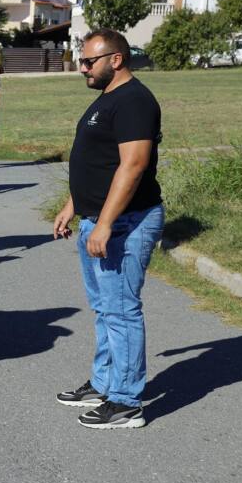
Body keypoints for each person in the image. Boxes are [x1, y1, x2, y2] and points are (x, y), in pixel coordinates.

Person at [52, 29, 165, 430]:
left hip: (124, 223)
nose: (82, 67)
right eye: (81, 60)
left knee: (121, 311)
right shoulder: (108, 98)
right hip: (96, 219)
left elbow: (132, 166)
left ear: (115, 59)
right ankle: (104, 383)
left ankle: (126, 402)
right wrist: (73, 206)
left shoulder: (134, 101)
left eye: (88, 61)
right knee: (105, 310)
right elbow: (96, 160)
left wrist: (104, 223)